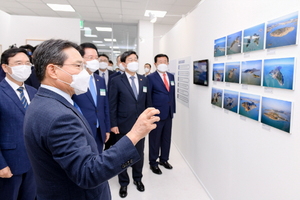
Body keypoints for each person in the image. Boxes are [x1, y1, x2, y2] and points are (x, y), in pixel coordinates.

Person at [23, 39, 159, 200]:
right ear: (52, 70)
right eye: (78, 66)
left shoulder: (45, 101)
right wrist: (135, 134)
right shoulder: (59, 116)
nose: (84, 71)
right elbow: (88, 173)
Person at [109, 50, 150, 198]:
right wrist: (113, 124)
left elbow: (148, 103)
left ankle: (138, 179)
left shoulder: (144, 80)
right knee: (122, 154)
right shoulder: (116, 81)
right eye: (130, 59)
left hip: (140, 125)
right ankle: (124, 183)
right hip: (122, 124)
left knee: (139, 153)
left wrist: (149, 121)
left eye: (135, 59)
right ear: (123, 63)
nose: (134, 62)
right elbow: (112, 104)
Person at [0, 48, 37, 200]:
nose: (24, 66)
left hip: (35, 164)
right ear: (5, 67)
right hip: (10, 163)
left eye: (27, 63)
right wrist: (1, 164)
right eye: (18, 63)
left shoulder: (34, 92)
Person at [72, 42, 110, 153]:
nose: (95, 60)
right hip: (82, 130)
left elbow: (104, 105)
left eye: (96, 58)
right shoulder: (74, 80)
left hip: (100, 129)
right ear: (81, 59)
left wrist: (106, 128)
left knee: (98, 159)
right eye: (90, 57)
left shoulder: (100, 80)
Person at [147, 54, 176, 175]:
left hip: (168, 112)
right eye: (160, 61)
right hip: (156, 113)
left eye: (165, 61)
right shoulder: (150, 78)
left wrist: (173, 109)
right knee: (155, 139)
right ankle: (153, 162)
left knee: (166, 138)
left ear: (168, 63)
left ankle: (164, 159)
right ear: (155, 64)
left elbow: (172, 94)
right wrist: (150, 113)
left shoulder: (171, 76)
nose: (163, 63)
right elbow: (148, 97)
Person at [104, 55, 125, 151]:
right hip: (118, 116)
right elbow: (112, 100)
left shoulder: (138, 78)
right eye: (120, 61)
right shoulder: (113, 78)